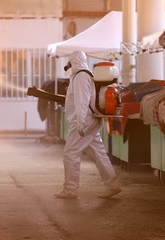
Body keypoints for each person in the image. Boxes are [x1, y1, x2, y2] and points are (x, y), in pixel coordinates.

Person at [54, 50, 121, 199]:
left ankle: (70, 189)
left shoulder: (81, 76)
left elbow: (82, 101)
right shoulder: (85, 75)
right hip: (90, 119)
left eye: (70, 62)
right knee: (98, 152)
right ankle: (112, 184)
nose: (69, 65)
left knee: (70, 153)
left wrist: (80, 123)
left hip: (85, 121)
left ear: (74, 61)